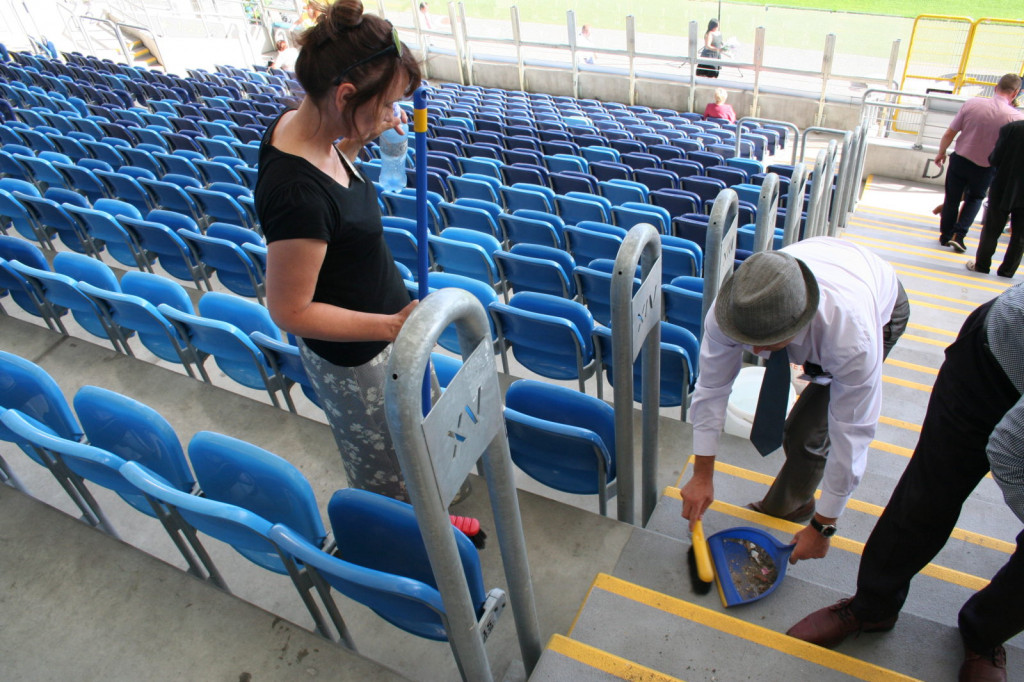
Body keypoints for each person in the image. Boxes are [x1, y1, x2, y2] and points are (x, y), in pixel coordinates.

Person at [787, 283, 1024, 682]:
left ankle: (985, 632)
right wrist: (824, 523)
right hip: (995, 359)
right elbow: (1009, 449)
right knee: (928, 492)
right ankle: (872, 607)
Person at [254, 0, 423, 502]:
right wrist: (392, 328)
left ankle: (424, 497)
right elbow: (290, 309)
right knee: (390, 471)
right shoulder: (296, 194)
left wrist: (360, 138)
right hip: (361, 359)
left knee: (413, 443)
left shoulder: (308, 127)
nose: (394, 115)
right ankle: (405, 539)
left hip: (383, 330)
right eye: (387, 103)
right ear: (346, 93)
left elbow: (336, 195)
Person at [680, 237, 909, 563]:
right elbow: (712, 389)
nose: (755, 353)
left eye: (766, 343)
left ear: (801, 320)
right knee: (802, 422)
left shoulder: (853, 341)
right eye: (747, 341)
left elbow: (852, 434)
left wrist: (824, 527)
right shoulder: (733, 309)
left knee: (808, 433)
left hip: (879, 300)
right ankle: (793, 498)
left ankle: (796, 505)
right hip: (827, 270)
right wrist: (702, 473)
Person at [934, 73, 1023, 253]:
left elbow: (950, 133)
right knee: (975, 198)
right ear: (1015, 93)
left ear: (996, 87)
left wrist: (941, 152)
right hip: (986, 167)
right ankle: (959, 235)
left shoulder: (972, 104)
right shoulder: (1015, 118)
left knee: (951, 198)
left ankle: (945, 235)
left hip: (960, 158)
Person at [967, 119, 1024, 278]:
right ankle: (1007, 271)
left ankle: (982, 266)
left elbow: (994, 159)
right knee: (1020, 235)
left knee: (992, 228)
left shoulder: (1012, 128)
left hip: (1004, 185)